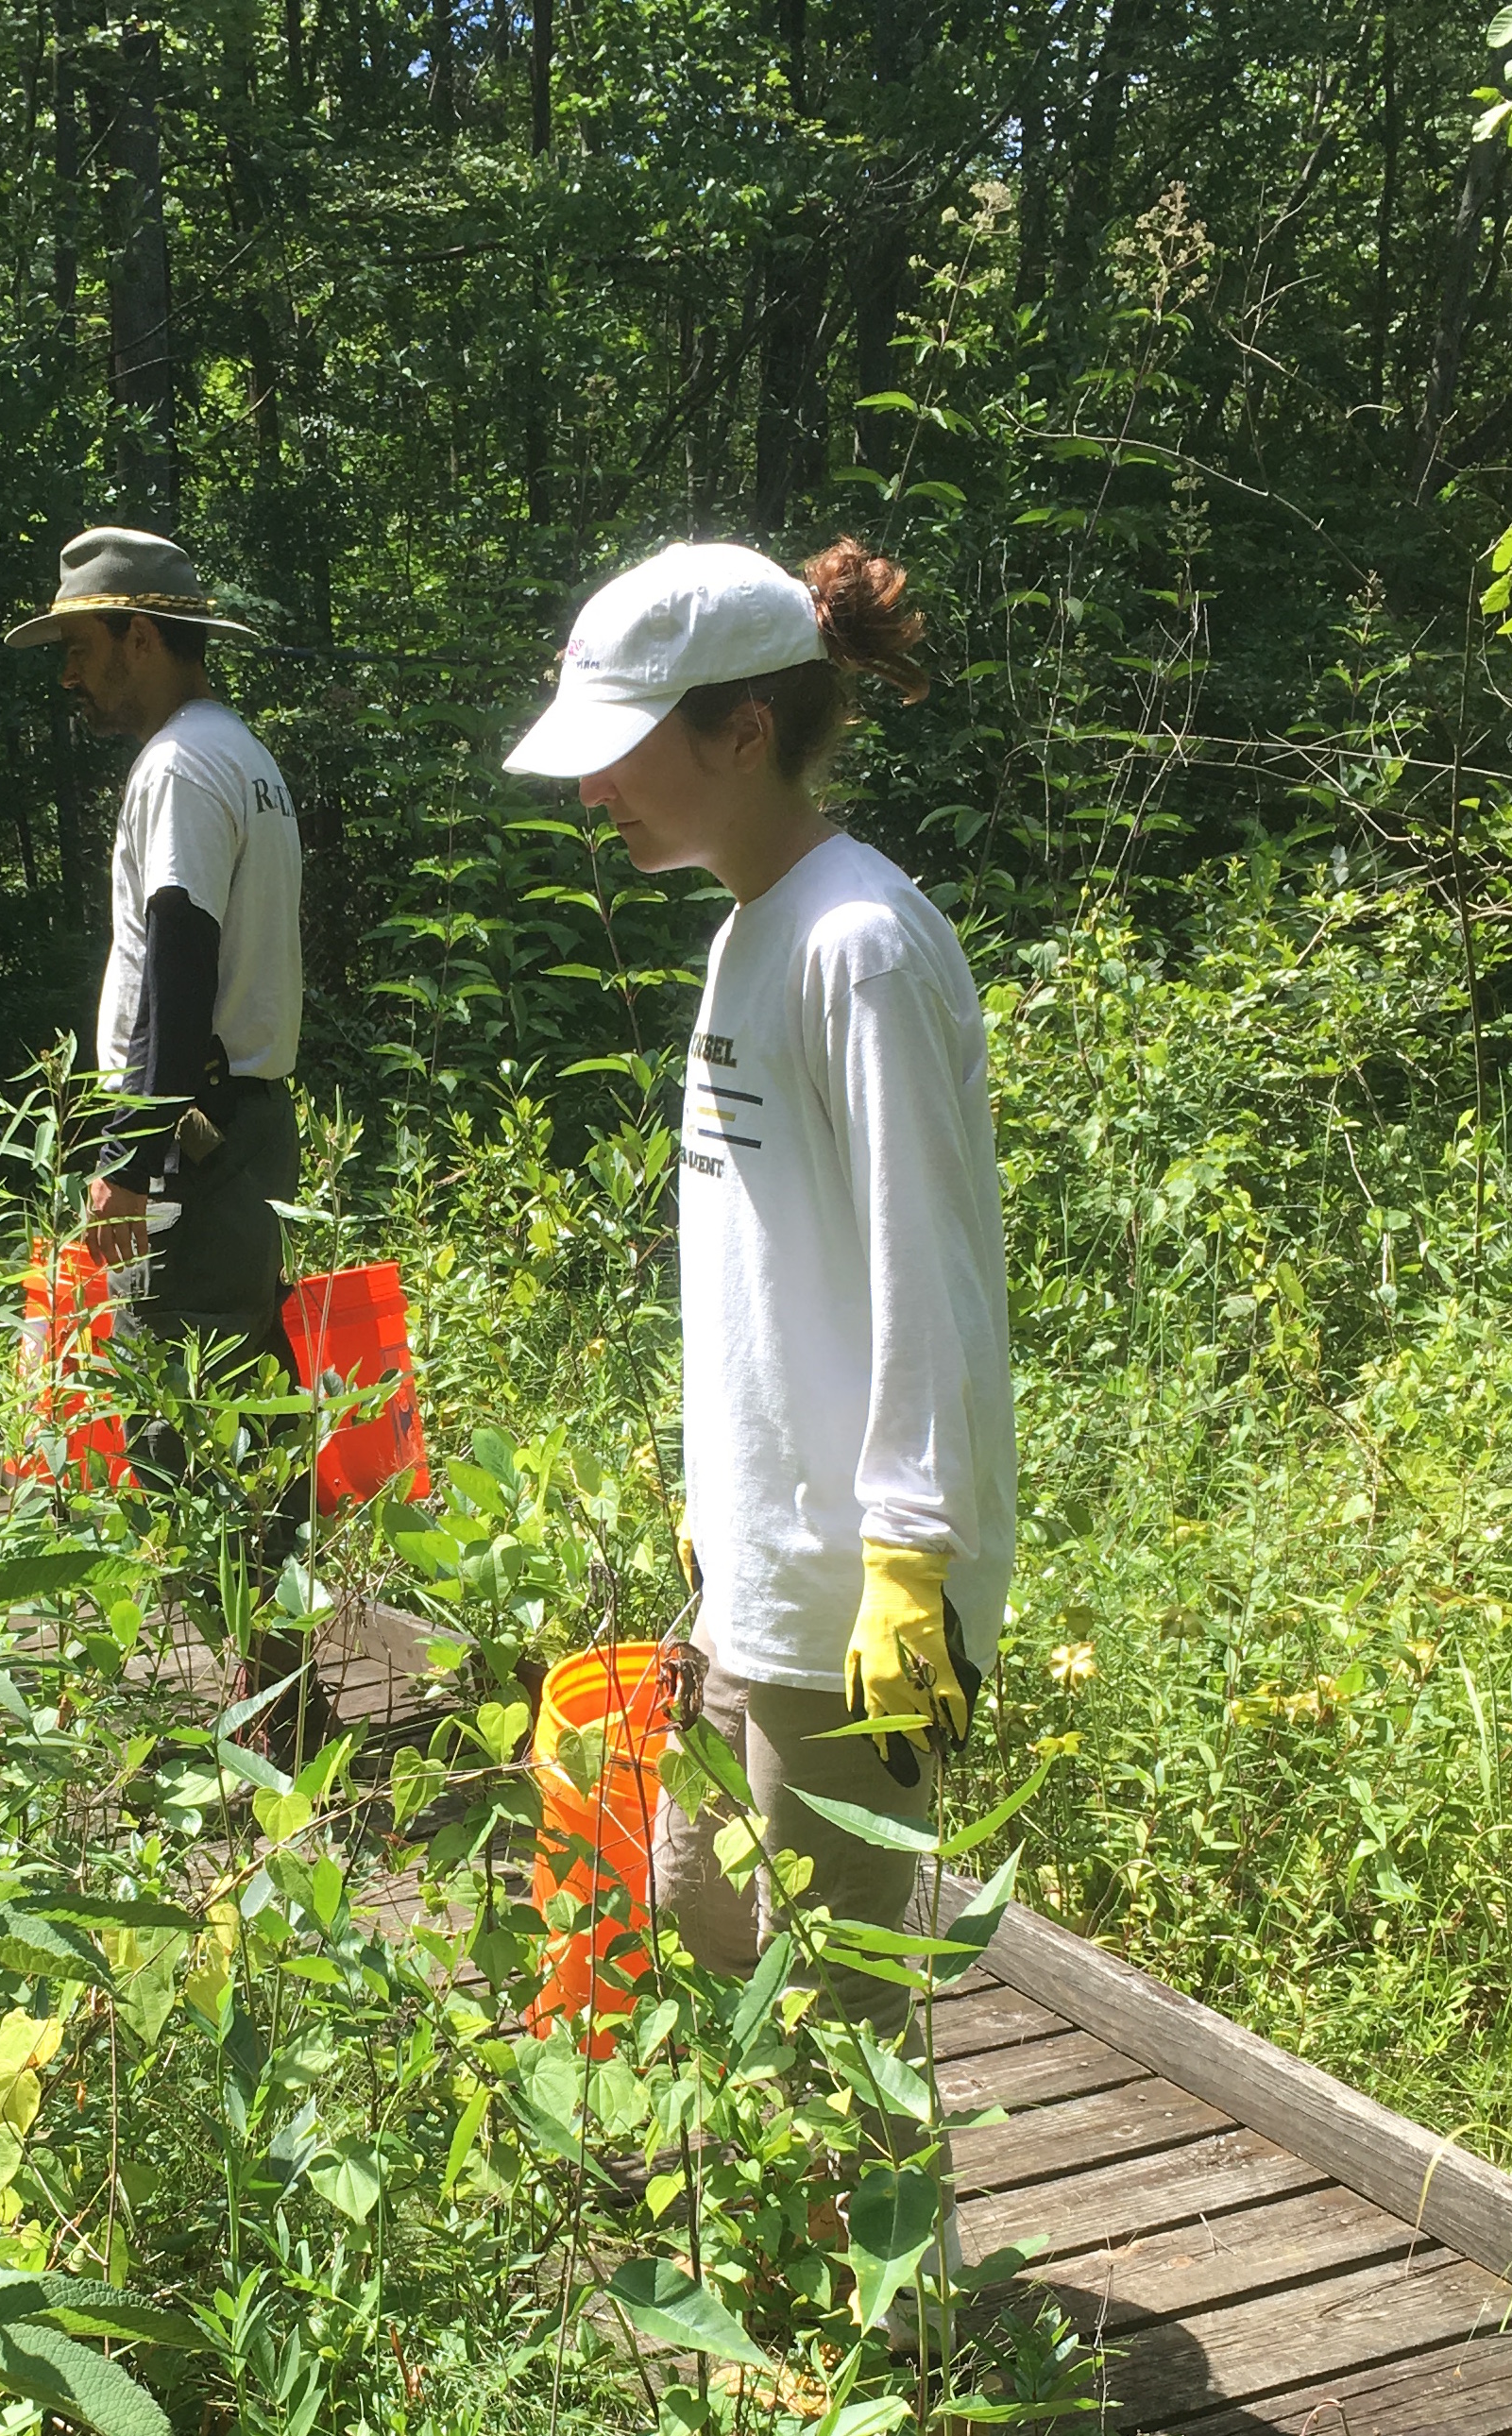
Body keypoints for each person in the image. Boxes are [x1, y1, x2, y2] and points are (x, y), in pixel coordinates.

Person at [503, 539, 1016, 2042]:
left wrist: (910, 1555)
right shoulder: (751, 929)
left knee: (824, 2000)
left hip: (859, 1590)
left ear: (740, 731)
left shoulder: (858, 947)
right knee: (704, 1913)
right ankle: (771, 2270)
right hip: (760, 1562)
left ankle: (880, 2281)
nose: (591, 793)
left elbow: (931, 1267)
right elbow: (774, 1261)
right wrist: (718, 1492)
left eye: (618, 752)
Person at [8, 526, 303, 1375]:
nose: (67, 674)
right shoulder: (243, 754)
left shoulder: (178, 766)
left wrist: (129, 1159)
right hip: (245, 1131)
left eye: (77, 647)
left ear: (139, 636)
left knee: (176, 1404)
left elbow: (180, 964)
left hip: (194, 1144)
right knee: (246, 1391)